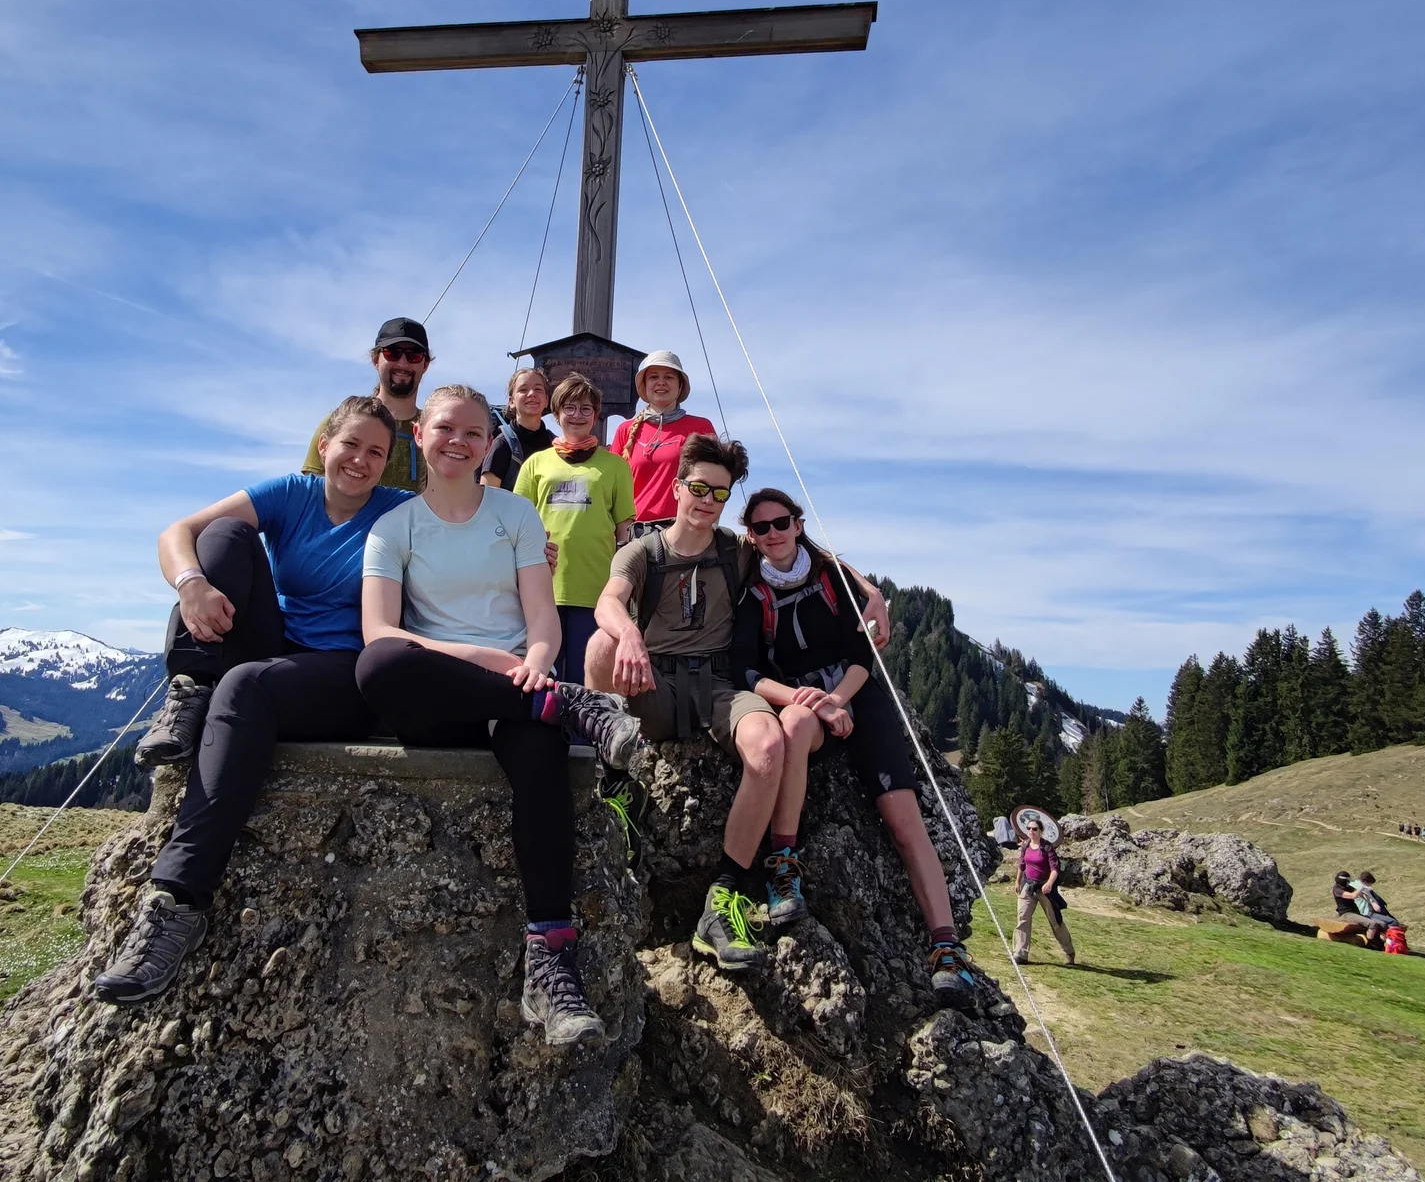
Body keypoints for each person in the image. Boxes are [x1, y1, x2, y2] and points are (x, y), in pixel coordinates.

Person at [93, 396, 412, 1004]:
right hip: (275, 644)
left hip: (346, 671)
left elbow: (470, 529)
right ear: (326, 445)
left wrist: (528, 553)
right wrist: (191, 587)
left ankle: (178, 903)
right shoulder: (292, 493)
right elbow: (176, 533)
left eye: (377, 452)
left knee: (244, 687)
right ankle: (189, 690)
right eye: (352, 445)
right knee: (222, 536)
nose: (362, 461)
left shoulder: (400, 511)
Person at [355, 383, 646, 1046]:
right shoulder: (393, 526)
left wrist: (537, 664)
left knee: (538, 753)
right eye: (444, 429)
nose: (457, 441)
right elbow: (380, 632)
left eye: (472, 433)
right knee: (379, 667)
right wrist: (485, 658)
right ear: (420, 435)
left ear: (490, 443)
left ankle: (550, 963)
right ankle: (568, 705)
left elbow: (541, 619)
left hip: (521, 682)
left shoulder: (514, 514)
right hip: (446, 694)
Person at [734, 487, 975, 999]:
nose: (773, 534)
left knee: (903, 819)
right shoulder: (753, 593)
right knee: (795, 724)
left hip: (860, 696)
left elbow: (863, 654)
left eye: (782, 523)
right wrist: (818, 704)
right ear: (751, 538)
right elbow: (746, 671)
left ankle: (947, 947)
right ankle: (784, 868)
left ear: (799, 524)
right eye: (761, 528)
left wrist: (838, 698)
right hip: (803, 701)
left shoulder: (830, 578)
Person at [587, 432, 801, 973]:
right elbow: (608, 601)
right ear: (679, 486)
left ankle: (723, 896)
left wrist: (869, 594)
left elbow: (803, 552)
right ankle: (611, 782)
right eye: (699, 487)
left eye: (721, 493)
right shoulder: (643, 550)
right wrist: (630, 637)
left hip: (718, 686)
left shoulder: (736, 550)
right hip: (653, 683)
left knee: (769, 743)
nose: (707, 500)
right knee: (600, 645)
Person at [511, 373, 636, 685]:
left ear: (595, 416)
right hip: (542, 586)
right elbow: (516, 521)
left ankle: (582, 732)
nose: (577, 415)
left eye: (586, 409)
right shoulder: (535, 464)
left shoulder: (616, 465)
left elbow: (625, 529)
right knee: (543, 673)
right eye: (569, 407)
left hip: (595, 585)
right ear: (556, 412)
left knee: (585, 674)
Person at [302, 317, 434, 492]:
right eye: (392, 353)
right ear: (375, 359)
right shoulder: (339, 422)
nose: (403, 363)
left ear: (425, 364)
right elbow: (311, 493)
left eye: (414, 356)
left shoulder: (436, 433)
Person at [610, 350, 718, 535]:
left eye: (669, 377)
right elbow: (611, 487)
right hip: (635, 534)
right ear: (644, 385)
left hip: (684, 533)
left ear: (680, 385)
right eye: (653, 377)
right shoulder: (625, 430)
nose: (661, 382)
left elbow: (715, 482)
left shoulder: (701, 427)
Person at [481, 366, 555, 490]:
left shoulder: (555, 444)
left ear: (546, 400)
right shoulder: (502, 444)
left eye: (538, 389)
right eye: (523, 389)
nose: (532, 394)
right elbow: (486, 498)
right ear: (512, 401)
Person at [1013, 817, 1074, 965]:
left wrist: (1049, 883)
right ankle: (1020, 954)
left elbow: (1055, 869)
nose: (1031, 831)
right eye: (1029, 828)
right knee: (1023, 918)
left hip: (1045, 889)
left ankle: (1070, 953)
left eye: (1034, 829)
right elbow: (1022, 865)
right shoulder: (1025, 845)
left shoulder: (1047, 848)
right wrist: (1017, 881)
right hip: (1028, 886)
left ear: (1040, 831)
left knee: (1055, 923)